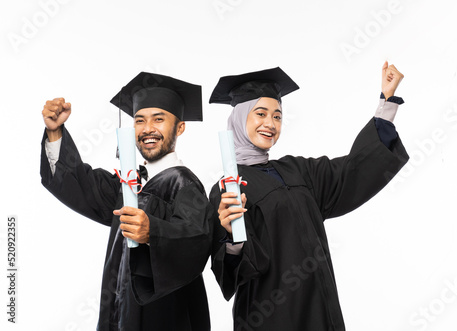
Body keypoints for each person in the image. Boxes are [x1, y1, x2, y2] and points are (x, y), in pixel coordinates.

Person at [208, 63, 409, 331]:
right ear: (239, 118)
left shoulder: (299, 170)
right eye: (261, 114)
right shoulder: (227, 189)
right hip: (269, 316)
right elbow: (231, 274)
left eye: (278, 116)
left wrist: (386, 103)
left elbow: (352, 171)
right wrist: (231, 236)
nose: (270, 123)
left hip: (319, 310)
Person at [40, 72, 212, 331]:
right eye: (140, 120)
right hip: (120, 313)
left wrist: (153, 232)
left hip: (164, 319)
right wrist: (55, 132)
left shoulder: (184, 183)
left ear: (180, 127)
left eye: (159, 119)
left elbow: (197, 240)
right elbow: (81, 185)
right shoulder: (128, 186)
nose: (147, 128)